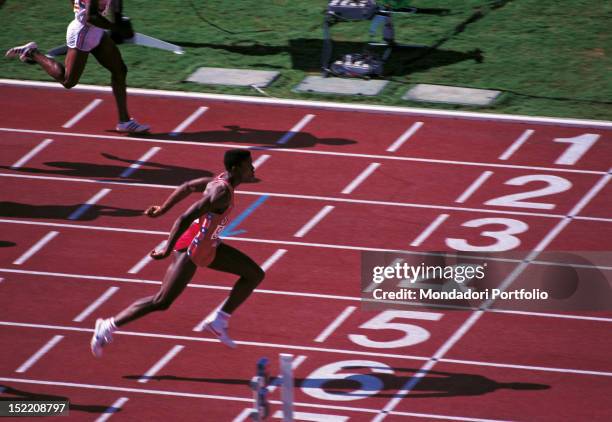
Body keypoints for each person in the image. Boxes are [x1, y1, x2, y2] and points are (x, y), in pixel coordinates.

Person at [90, 149, 265, 356]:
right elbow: (184, 218)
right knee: (162, 301)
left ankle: (219, 321)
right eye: (248, 165)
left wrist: (163, 209)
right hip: (191, 247)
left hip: (209, 245)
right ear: (235, 168)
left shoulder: (221, 181)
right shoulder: (221, 192)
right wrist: (168, 248)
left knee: (254, 274)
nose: (253, 168)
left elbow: (188, 186)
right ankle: (108, 326)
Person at [5, 0, 149, 133]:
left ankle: (124, 121)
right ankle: (32, 53)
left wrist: (116, 19)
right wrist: (116, 27)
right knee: (68, 81)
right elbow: (90, 17)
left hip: (96, 31)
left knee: (120, 70)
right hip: (82, 33)